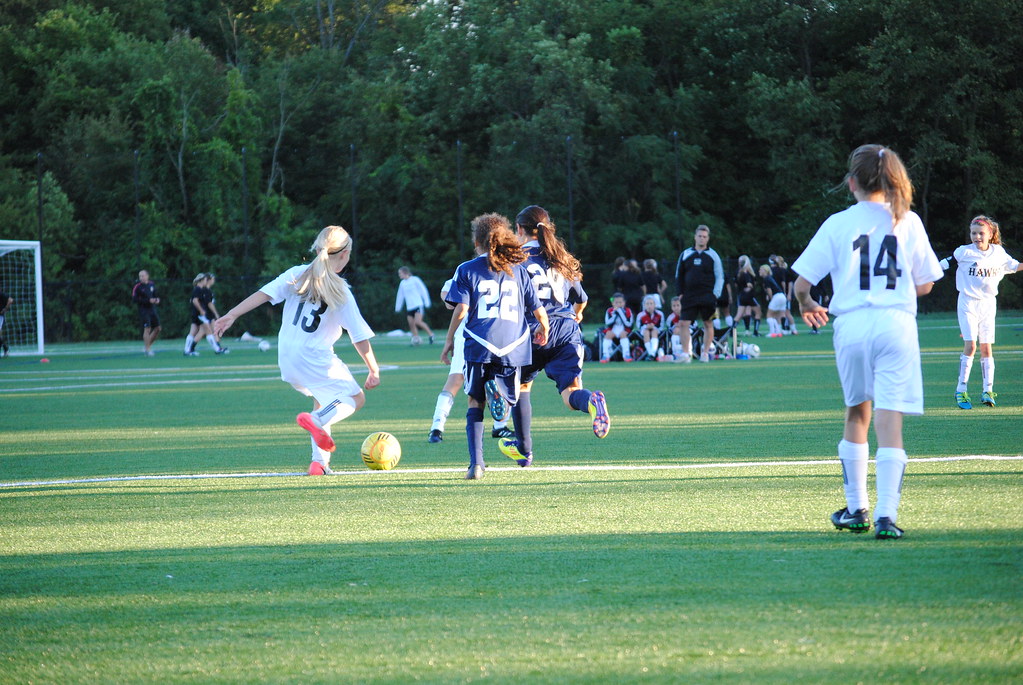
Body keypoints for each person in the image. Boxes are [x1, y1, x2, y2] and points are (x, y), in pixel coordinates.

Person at [792, 143, 943, 541]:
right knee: (890, 421)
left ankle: (856, 508)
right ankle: (885, 516)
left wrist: (808, 303)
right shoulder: (907, 220)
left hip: (853, 324)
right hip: (896, 324)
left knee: (857, 413)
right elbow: (926, 282)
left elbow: (801, 284)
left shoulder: (838, 223)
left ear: (851, 183)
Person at [213, 225, 381, 476]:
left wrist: (231, 315)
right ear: (345, 254)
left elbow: (262, 294)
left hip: (287, 357)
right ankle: (316, 422)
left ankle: (319, 464)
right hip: (314, 356)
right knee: (356, 399)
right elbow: (358, 336)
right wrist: (373, 369)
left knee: (323, 400)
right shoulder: (340, 289)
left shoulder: (297, 274)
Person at [497, 205, 610, 466]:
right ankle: (591, 401)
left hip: (532, 331)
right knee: (571, 396)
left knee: (521, 387)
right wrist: (577, 316)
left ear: (519, 230)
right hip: (566, 330)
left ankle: (524, 450)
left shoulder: (514, 259)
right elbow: (581, 299)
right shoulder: (559, 256)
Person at [441, 213, 549, 480]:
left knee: (474, 401)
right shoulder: (520, 269)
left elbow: (461, 308)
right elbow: (538, 310)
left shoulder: (467, 269)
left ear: (476, 241)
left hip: (480, 343)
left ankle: (476, 464)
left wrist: (448, 341)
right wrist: (544, 329)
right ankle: (501, 394)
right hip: (514, 344)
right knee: (513, 395)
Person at [940, 215, 1022, 409]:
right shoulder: (964, 252)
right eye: (973, 233)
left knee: (986, 348)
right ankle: (961, 390)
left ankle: (988, 391)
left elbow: (1015, 266)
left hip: (987, 304)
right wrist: (929, 275)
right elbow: (945, 263)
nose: (977, 237)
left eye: (981, 233)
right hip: (967, 303)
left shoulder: (998, 253)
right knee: (971, 346)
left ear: (990, 234)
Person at [428, 274, 514, 443]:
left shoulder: (468, 270)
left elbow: (448, 300)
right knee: (500, 380)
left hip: (470, 334)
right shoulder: (508, 272)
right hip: (501, 333)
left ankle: (437, 428)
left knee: (457, 380)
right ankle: (500, 426)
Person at [675, 224, 724, 363]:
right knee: (684, 323)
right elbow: (679, 275)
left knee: (708, 323)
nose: (702, 239)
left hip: (707, 295)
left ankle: (705, 353)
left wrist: (715, 294)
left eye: (704, 237)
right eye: (699, 236)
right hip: (689, 295)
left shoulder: (713, 255)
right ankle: (686, 354)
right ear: (695, 237)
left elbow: (719, 276)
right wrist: (680, 293)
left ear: (708, 239)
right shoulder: (685, 254)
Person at [395, 266, 434, 345]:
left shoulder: (415, 280)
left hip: (418, 305)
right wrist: (398, 307)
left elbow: (423, 290)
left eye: (400, 273)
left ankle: (431, 335)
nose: (399, 275)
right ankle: (416, 339)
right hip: (409, 307)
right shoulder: (402, 283)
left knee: (418, 322)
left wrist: (427, 302)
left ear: (405, 272)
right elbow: (400, 295)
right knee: (411, 324)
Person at [131, 269, 161, 357]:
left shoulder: (151, 284)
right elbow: (134, 299)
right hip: (144, 310)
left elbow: (155, 295)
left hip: (152, 309)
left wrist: (157, 300)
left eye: (143, 276)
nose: (141, 278)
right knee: (147, 328)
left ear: (147, 276)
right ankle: (148, 350)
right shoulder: (137, 287)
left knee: (158, 328)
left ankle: (147, 346)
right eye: (140, 276)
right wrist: (147, 301)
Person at [600, 292, 634, 362]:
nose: (618, 304)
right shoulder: (609, 311)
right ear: (613, 303)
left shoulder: (628, 311)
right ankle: (606, 355)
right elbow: (608, 323)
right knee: (608, 334)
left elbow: (629, 324)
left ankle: (626, 355)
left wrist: (620, 313)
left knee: (623, 334)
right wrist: (615, 314)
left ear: (624, 303)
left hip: (624, 329)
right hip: (613, 329)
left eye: (620, 302)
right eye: (616, 302)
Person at [734, 255, 762, 337]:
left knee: (739, 315)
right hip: (749, 296)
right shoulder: (747, 272)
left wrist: (741, 289)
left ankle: (733, 332)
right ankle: (756, 332)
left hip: (741, 295)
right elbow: (749, 284)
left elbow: (736, 284)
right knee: (758, 312)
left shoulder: (738, 271)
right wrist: (749, 287)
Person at [759, 264, 787, 337]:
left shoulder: (766, 278)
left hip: (776, 296)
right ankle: (778, 332)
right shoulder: (770, 277)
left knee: (769, 315)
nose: (759, 271)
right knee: (776, 315)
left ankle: (772, 333)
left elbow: (769, 290)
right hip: (782, 296)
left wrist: (770, 298)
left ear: (765, 271)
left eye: (761, 269)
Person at [637, 294, 665, 360]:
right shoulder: (640, 315)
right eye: (647, 304)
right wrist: (646, 326)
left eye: (651, 303)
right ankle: (651, 352)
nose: (649, 306)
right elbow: (638, 326)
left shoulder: (660, 314)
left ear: (655, 304)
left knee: (654, 331)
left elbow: (662, 326)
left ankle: (652, 353)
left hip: (656, 330)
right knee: (646, 332)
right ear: (644, 305)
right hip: (644, 330)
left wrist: (653, 327)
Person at [0, 288, 12, 357]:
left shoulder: (1, 295)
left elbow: (10, 300)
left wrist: (5, 309)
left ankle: (5, 349)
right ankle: (5, 348)